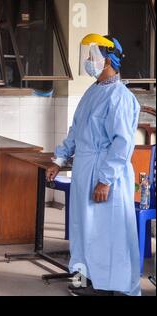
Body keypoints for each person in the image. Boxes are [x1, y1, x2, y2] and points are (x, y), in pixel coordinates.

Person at [47, 34, 141, 296]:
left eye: (93, 57)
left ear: (108, 60)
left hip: (105, 172)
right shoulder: (94, 91)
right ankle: (82, 280)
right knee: (82, 227)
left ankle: (107, 285)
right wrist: (59, 159)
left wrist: (105, 180)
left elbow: (122, 144)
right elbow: (76, 130)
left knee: (104, 231)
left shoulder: (119, 97)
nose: (89, 62)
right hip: (84, 169)